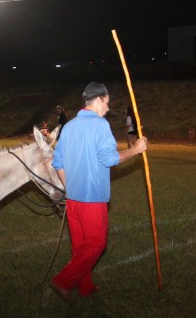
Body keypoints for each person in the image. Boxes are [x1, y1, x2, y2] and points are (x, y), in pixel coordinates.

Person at [50, 82, 148, 302]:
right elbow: (110, 159)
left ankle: (85, 286)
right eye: (106, 102)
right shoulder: (100, 125)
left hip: (74, 199)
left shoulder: (70, 126)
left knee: (81, 247)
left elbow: (58, 162)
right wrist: (136, 149)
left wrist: (68, 188)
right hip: (92, 199)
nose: (108, 107)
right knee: (96, 244)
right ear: (98, 99)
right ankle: (62, 281)